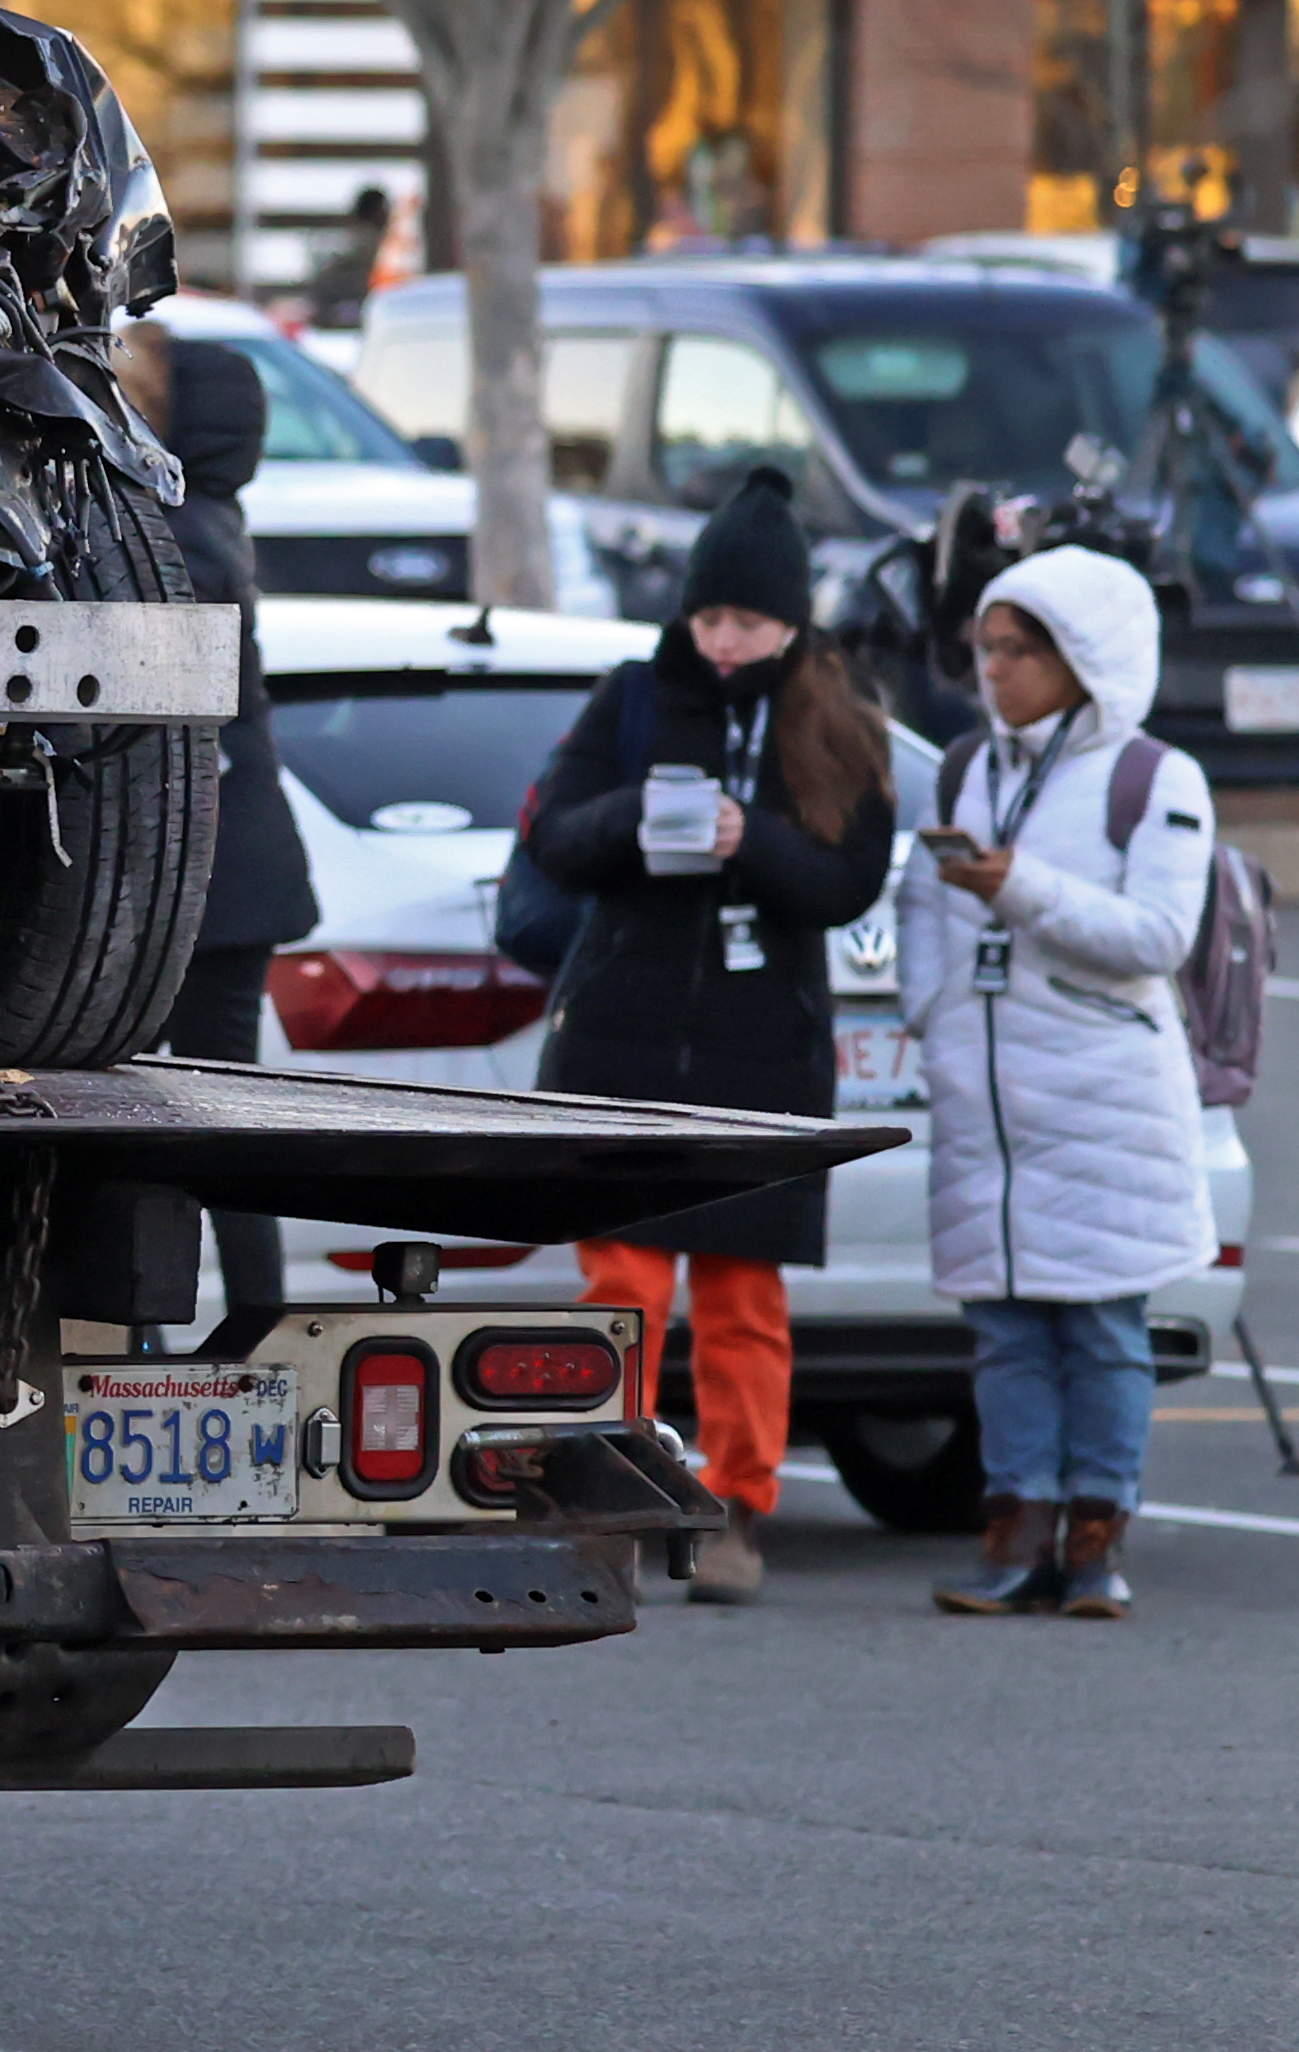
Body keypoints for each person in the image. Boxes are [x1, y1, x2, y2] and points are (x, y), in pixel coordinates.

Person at [517, 469, 893, 1602]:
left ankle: (737, 1505)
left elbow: (848, 879)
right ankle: (600, 1478)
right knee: (621, 1282)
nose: (727, 642)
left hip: (760, 1053)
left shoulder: (833, 712)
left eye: (751, 621)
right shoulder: (633, 694)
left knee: (742, 1299)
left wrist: (751, 842)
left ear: (792, 621)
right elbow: (554, 834)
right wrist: (641, 817)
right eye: (712, 617)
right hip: (624, 1037)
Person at [906, 545, 1215, 1620]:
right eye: (986, 648)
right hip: (987, 1103)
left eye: (1020, 649)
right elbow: (922, 906)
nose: (995, 670)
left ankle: (1097, 1535)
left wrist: (1020, 888)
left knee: (1100, 1330)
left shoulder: (1154, 777)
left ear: (1085, 655)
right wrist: (929, 1010)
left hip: (1103, 1101)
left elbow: (1159, 936)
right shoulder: (963, 768)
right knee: (1004, 1335)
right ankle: (1015, 1529)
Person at [145, 335, 314, 1323]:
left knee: (183, 1109)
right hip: (238, 864)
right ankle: (238, 1317)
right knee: (217, 1107)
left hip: (205, 867)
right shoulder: (213, 521)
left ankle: (230, 1318)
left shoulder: (178, 534)